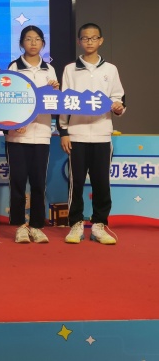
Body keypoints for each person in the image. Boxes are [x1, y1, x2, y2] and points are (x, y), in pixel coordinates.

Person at [59, 22, 126, 245]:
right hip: (76, 135)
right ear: (79, 41)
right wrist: (64, 131)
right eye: (85, 38)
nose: (89, 42)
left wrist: (118, 107)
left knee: (101, 183)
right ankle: (76, 224)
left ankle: (99, 224)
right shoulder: (70, 69)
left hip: (102, 134)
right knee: (76, 183)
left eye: (94, 38)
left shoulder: (110, 69)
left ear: (101, 40)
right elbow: (64, 102)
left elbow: (118, 97)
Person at [5, 26, 59, 244]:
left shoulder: (49, 70)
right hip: (17, 136)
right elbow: (7, 99)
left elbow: (53, 103)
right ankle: (19, 226)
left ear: (43, 43)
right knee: (18, 182)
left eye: (37, 39)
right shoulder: (13, 68)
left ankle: (37, 226)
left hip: (42, 133)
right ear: (21, 43)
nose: (33, 43)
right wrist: (15, 121)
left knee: (38, 183)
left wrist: (55, 92)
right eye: (28, 39)